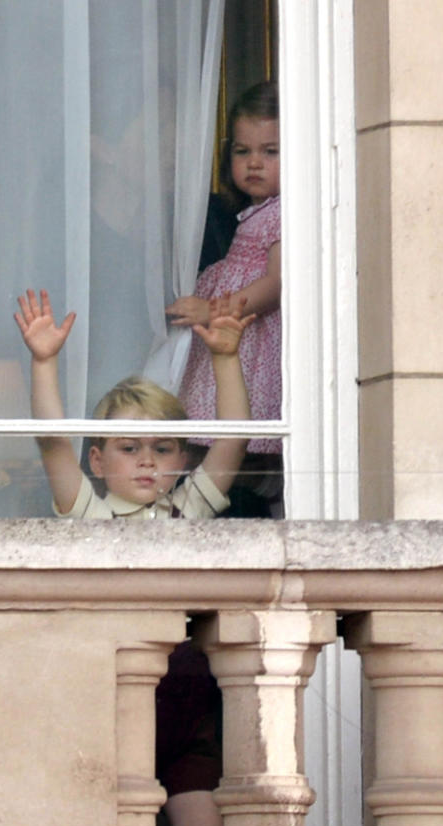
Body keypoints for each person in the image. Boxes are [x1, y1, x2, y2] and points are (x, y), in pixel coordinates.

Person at [15, 286, 254, 826]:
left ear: (180, 457)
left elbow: (231, 444)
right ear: (99, 458)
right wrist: (44, 363)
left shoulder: (188, 508)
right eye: (129, 448)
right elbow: (51, 444)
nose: (146, 462)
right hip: (111, 698)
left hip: (188, 700)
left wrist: (226, 358)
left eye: (162, 448)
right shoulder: (89, 512)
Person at [165, 80, 282, 516]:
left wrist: (214, 310)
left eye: (271, 152)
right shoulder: (253, 213)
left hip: (251, 338)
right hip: (235, 337)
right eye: (242, 151)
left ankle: (262, 479)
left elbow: (275, 283)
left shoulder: (285, 212)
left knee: (245, 422)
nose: (254, 163)